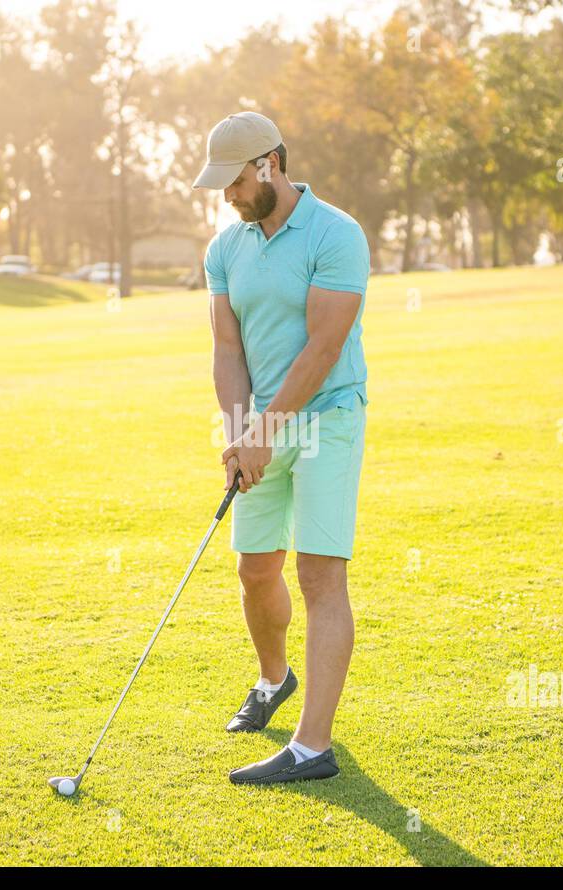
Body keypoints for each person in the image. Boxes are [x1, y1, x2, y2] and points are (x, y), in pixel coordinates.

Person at [194, 112, 369, 785]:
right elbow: (227, 346)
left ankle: (311, 747)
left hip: (326, 419)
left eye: (235, 182)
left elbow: (325, 347)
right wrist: (243, 432)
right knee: (255, 569)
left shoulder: (336, 234)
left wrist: (268, 430)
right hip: (260, 425)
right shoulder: (225, 247)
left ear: (268, 165)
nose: (228, 197)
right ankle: (274, 680)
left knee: (320, 576)